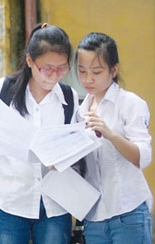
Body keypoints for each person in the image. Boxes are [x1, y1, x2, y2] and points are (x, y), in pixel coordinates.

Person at [0, 23, 78, 244]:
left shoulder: (69, 97)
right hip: (10, 200)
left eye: (61, 68)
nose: (54, 75)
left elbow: (75, 144)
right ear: (29, 61)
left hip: (55, 203)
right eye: (46, 68)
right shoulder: (1, 90)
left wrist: (67, 156)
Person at [75, 32, 153, 243]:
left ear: (114, 70)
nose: (88, 79)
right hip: (94, 216)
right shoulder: (79, 110)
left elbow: (143, 157)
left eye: (96, 72)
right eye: (82, 71)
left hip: (127, 212)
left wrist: (110, 134)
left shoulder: (130, 103)